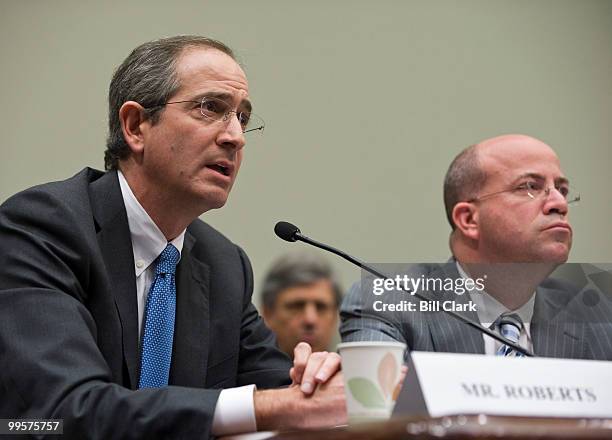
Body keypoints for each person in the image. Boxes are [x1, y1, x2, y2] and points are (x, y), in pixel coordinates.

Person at [0, 36, 345, 439]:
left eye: (242, 118)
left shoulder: (224, 264)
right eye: (210, 108)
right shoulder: (42, 228)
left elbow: (280, 392)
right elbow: (64, 413)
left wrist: (321, 384)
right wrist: (271, 405)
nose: (236, 136)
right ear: (135, 126)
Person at [341, 134, 612, 360]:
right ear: (469, 219)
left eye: (562, 190)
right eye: (530, 186)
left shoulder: (597, 314)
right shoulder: (392, 301)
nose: (559, 204)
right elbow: (372, 407)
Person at [261, 252, 342, 357]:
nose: (310, 319)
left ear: (336, 317)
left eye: (321, 307)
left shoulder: (359, 372)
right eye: (296, 306)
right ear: (267, 314)